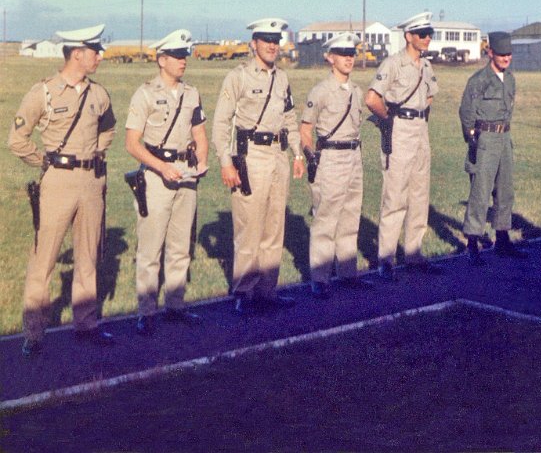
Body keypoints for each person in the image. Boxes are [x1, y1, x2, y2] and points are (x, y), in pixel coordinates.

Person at [8, 24, 116, 356]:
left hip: (91, 180)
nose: (99, 56)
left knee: (88, 256)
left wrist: (92, 156)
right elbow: (16, 140)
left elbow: (108, 129)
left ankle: (85, 324)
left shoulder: (99, 94)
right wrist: (45, 161)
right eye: (95, 51)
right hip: (57, 181)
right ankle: (34, 333)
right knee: (44, 259)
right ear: (76, 53)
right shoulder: (44, 92)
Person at [212, 18, 305, 314]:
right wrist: (226, 163)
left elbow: (290, 118)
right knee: (249, 228)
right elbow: (221, 123)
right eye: (265, 39)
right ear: (253, 43)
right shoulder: (238, 77)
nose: (272, 45)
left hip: (278, 156)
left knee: (274, 227)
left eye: (275, 40)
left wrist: (298, 154)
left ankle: (267, 290)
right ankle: (244, 292)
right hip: (250, 156)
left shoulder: (282, 78)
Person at [125, 29, 209, 336]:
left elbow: (199, 133)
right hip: (156, 176)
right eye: (176, 56)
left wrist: (201, 161)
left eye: (185, 55)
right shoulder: (144, 94)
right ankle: (146, 311)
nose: (182, 61)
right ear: (161, 60)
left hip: (186, 175)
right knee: (151, 248)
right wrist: (162, 168)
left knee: (180, 246)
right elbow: (132, 144)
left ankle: (175, 305)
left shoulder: (192, 93)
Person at [365, 12, 442, 281]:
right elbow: (372, 98)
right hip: (399, 130)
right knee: (395, 195)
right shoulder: (393, 64)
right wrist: (389, 119)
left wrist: (418, 116)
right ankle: (385, 258)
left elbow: (430, 96)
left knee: (420, 194)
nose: (427, 38)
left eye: (429, 33)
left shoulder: (426, 66)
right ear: (409, 36)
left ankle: (414, 253)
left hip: (421, 130)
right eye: (422, 34)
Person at [300, 33, 373, 299]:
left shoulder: (356, 91)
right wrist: (311, 158)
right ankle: (319, 277)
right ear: (330, 57)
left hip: (353, 156)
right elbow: (305, 129)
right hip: (330, 158)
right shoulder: (320, 91)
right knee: (326, 218)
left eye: (352, 54)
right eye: (343, 54)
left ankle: (347, 272)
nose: (348, 59)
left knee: (351, 215)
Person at [458, 31, 525, 264]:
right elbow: (466, 111)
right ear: (490, 53)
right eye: (502, 54)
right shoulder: (479, 80)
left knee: (505, 191)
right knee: (481, 191)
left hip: (505, 138)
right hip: (485, 139)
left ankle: (503, 237)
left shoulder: (511, 79)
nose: (507, 59)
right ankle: (472, 242)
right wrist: (473, 137)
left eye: (509, 54)